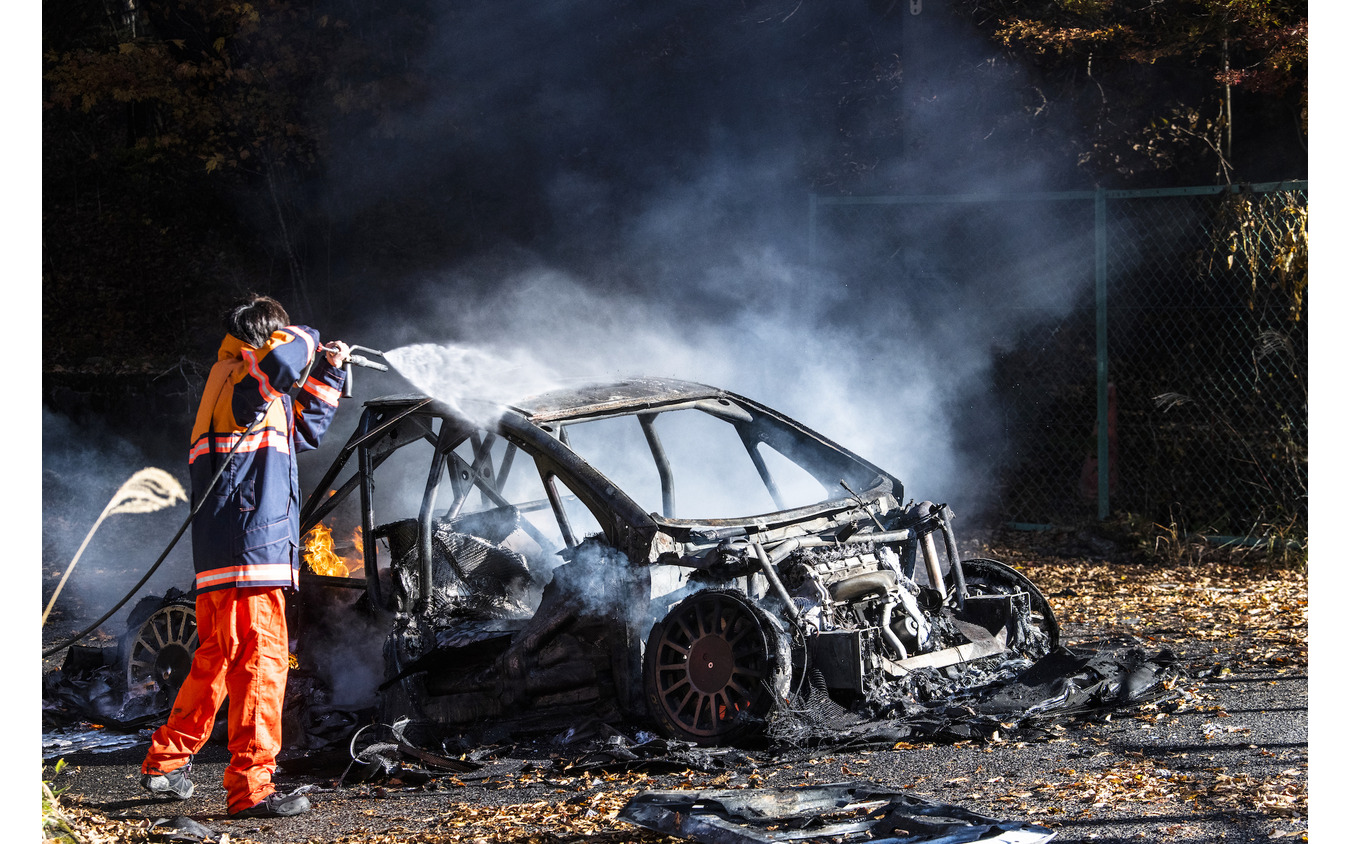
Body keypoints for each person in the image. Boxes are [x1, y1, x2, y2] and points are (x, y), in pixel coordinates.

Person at [139, 295, 350, 818]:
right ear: (265, 339)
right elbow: (281, 362)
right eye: (280, 338)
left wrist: (329, 369)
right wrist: (309, 335)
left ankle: (167, 761)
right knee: (261, 667)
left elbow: (306, 430)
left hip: (232, 552)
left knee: (215, 661)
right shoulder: (237, 378)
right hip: (249, 551)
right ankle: (251, 793)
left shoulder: (248, 392)